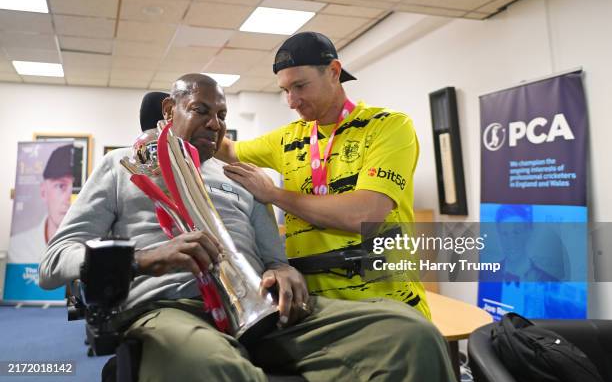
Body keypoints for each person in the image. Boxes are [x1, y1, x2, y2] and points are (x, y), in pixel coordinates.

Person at [39, 74, 454, 381]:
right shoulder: (124, 167)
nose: (215, 124)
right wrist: (145, 257)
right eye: (201, 110)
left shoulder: (239, 177)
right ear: (169, 111)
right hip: (173, 309)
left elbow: (277, 260)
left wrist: (285, 272)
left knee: (409, 332)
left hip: (260, 307)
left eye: (221, 115)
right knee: (218, 367)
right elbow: (53, 263)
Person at [217, 32, 429, 318]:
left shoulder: (387, 127)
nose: (292, 101)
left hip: (388, 309)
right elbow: (228, 149)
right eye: (284, 90)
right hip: (315, 311)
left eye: (300, 86)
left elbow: (364, 214)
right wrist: (184, 121)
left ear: (333, 72)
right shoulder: (288, 138)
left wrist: (274, 195)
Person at [9, 144, 74, 264]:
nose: (69, 199)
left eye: (75, 189)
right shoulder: (17, 248)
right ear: (43, 191)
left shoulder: (89, 246)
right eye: (61, 186)